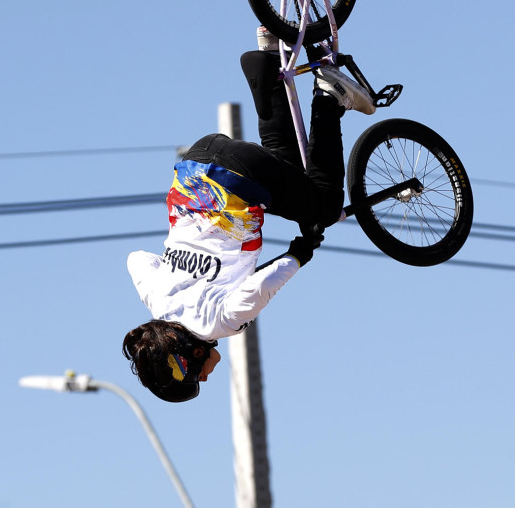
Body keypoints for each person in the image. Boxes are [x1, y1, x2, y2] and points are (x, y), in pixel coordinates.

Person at [122, 35, 376, 403]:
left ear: (188, 359)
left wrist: (302, 250)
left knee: (323, 205)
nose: (206, 379)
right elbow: (136, 260)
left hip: (237, 178)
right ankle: (268, 58)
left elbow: (261, 286)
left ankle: (329, 96)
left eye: (196, 378)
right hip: (198, 162)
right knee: (286, 171)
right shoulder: (157, 299)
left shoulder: (217, 323)